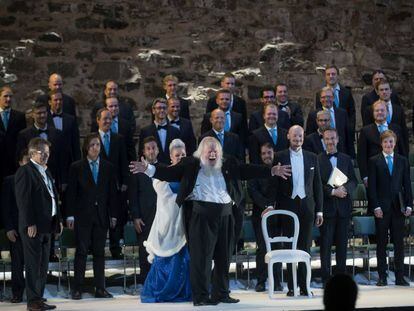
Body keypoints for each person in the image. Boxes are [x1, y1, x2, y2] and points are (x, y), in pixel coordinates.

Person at [130, 136, 291, 306]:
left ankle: (221, 293)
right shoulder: (191, 164)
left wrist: (271, 171)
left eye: (215, 150)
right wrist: (148, 168)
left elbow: (247, 170)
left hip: (226, 215)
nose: (213, 153)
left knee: (224, 257)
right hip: (201, 217)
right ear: (202, 152)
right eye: (209, 150)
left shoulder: (228, 163)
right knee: (202, 259)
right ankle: (201, 296)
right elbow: (168, 173)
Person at [265, 125, 323, 296]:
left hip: (307, 206)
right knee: (290, 247)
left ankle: (305, 286)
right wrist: (270, 204)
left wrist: (319, 211)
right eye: (295, 136)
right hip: (287, 206)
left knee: (305, 247)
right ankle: (291, 287)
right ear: (288, 137)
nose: (298, 139)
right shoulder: (279, 156)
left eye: (300, 136)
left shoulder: (313, 157)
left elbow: (317, 185)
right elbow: (273, 183)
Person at [66, 133, 118, 300]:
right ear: (86, 148)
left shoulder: (108, 167)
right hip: (82, 216)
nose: (96, 148)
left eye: (98, 145)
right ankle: (77, 288)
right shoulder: (76, 167)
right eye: (92, 145)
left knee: (99, 253)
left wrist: (113, 215)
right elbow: (71, 194)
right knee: (81, 252)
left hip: (102, 216)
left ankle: (100, 288)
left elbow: (112, 194)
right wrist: (70, 215)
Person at [141, 139, 191, 302]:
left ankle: (185, 291)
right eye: (177, 155)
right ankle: (164, 290)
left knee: (186, 258)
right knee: (166, 258)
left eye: (183, 154)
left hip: (185, 223)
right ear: (171, 157)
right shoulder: (162, 173)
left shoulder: (191, 173)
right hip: (168, 224)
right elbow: (163, 189)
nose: (181, 157)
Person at [15, 137, 63, 311]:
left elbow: (53, 197)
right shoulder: (25, 171)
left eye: (47, 153)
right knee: (33, 265)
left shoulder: (45, 171)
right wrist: (30, 222)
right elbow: (23, 200)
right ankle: (32, 301)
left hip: (47, 225)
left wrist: (58, 221)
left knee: (43, 265)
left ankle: (38, 298)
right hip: (33, 227)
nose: (45, 156)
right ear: (32, 152)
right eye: (42, 153)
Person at [367, 130, 412, 286]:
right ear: (381, 143)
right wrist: (376, 206)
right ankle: (382, 276)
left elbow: (407, 185)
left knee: (399, 243)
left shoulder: (402, 161)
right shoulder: (374, 161)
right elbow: (371, 187)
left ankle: (400, 276)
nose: (388, 144)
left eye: (391, 141)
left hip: (398, 207)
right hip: (382, 208)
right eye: (386, 142)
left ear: (395, 143)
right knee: (381, 243)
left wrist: (409, 205)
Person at [318, 128, 357, 284]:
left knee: (342, 245)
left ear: (338, 139)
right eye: (327, 139)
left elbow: (354, 181)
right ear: (323, 140)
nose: (330, 141)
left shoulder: (346, 159)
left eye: (333, 138)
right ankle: (326, 277)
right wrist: (333, 192)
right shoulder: (318, 159)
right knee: (325, 245)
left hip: (344, 208)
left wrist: (344, 189)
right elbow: (317, 184)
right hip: (327, 208)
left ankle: (341, 276)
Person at [247, 143, 283, 292]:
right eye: (264, 154)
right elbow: (252, 191)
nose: (267, 156)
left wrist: (273, 206)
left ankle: (277, 281)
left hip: (278, 214)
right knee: (262, 248)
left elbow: (281, 190)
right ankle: (261, 281)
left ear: (273, 153)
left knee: (277, 248)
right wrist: (267, 206)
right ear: (260, 155)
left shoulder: (280, 169)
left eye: (269, 153)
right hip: (260, 215)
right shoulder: (255, 171)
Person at [96, 108, 128, 259]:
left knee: (117, 216)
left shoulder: (119, 139)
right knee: (100, 217)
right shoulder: (92, 139)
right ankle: (97, 248)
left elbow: (124, 161)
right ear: (98, 120)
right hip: (98, 185)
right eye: (105, 118)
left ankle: (116, 248)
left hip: (116, 185)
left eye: (110, 118)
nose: (108, 121)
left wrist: (125, 181)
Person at [128, 136, 160, 283]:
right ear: (144, 152)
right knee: (144, 251)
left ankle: (161, 280)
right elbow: (133, 196)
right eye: (148, 148)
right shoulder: (136, 172)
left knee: (161, 250)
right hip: (144, 219)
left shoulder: (164, 169)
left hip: (162, 217)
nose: (151, 151)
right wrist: (135, 217)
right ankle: (145, 281)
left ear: (158, 150)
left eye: (153, 148)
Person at [1, 149, 29, 303]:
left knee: (33, 263)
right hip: (16, 229)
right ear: (20, 162)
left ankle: (33, 293)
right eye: (26, 159)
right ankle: (17, 292)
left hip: (33, 229)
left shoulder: (37, 178)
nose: (28, 163)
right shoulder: (10, 180)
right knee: (17, 263)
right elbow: (5, 207)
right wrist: (9, 228)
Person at [357, 100, 406, 188]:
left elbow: (402, 152)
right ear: (373, 113)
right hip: (374, 175)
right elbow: (361, 156)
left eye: (382, 110)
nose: (379, 112)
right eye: (377, 110)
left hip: (395, 174)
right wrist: (365, 176)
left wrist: (404, 173)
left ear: (387, 112)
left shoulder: (397, 128)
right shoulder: (365, 131)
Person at [363, 80, 409, 154]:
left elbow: (403, 132)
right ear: (377, 92)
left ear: (391, 91)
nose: (384, 92)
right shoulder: (370, 110)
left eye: (386, 89)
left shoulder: (398, 109)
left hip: (395, 153)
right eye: (381, 90)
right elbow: (367, 131)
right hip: (375, 154)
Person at [307, 87, 354, 158]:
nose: (326, 99)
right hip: (320, 155)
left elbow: (348, 136)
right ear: (320, 99)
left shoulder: (342, 113)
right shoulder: (313, 115)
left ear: (334, 98)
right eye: (323, 97)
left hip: (340, 153)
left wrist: (352, 156)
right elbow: (310, 136)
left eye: (329, 97)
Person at [315, 65, 355, 142]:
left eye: (333, 74)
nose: (331, 76)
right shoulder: (319, 94)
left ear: (338, 76)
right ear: (325, 76)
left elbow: (351, 113)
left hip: (342, 135)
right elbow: (318, 112)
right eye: (328, 74)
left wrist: (350, 132)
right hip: (326, 136)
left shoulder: (346, 93)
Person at [92, 96, 136, 162]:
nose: (114, 108)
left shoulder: (126, 124)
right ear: (105, 108)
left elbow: (130, 148)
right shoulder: (98, 124)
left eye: (116, 106)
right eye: (111, 106)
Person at [139, 98, 180, 164]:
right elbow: (141, 154)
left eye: (164, 108)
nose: (162, 110)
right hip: (152, 170)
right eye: (159, 108)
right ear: (153, 110)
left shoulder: (175, 131)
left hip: (171, 170)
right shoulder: (145, 131)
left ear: (167, 110)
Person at [0, 86, 26, 182]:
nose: (8, 99)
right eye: (5, 96)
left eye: (10, 96)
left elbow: (23, 140)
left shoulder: (20, 117)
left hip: (14, 164)